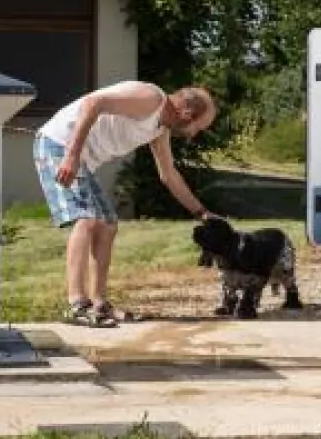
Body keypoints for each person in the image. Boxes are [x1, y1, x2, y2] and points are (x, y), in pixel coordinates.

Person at [33, 80, 219, 327]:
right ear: (186, 114)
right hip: (58, 145)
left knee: (108, 224)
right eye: (199, 127)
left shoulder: (158, 128)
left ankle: (99, 304)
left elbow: (169, 175)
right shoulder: (150, 99)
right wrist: (73, 154)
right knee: (87, 219)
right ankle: (76, 304)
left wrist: (202, 212)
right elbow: (93, 103)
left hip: (82, 159)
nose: (195, 135)